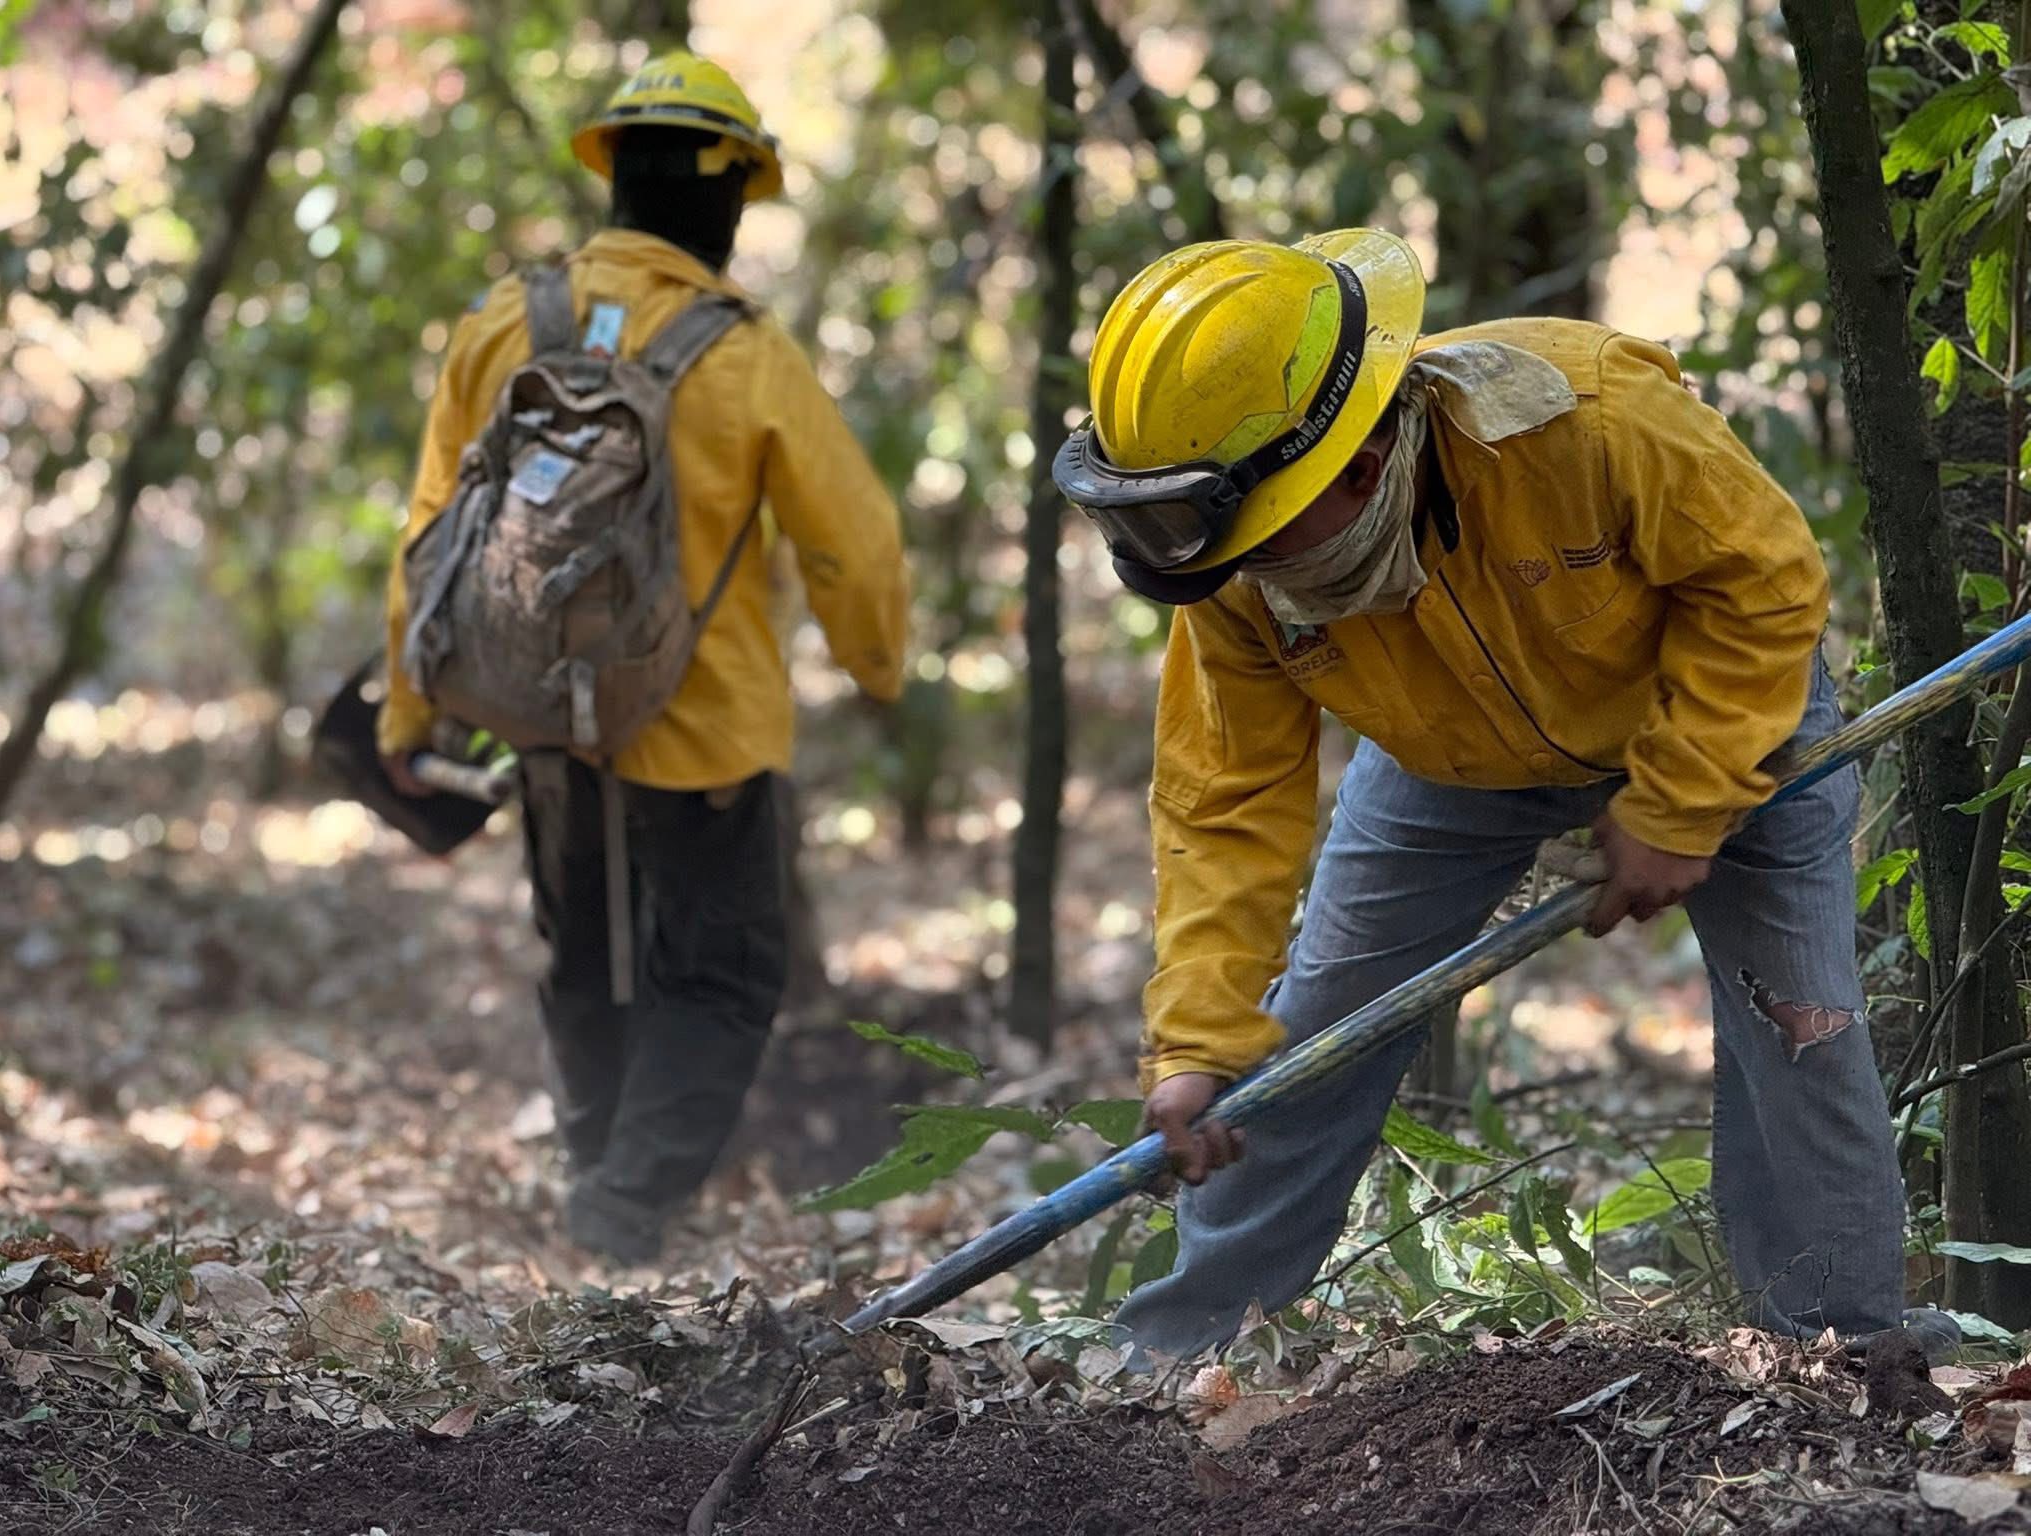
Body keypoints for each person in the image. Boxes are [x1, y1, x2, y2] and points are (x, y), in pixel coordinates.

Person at [1053, 228, 1949, 1359]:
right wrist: (1194, 1042)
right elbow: (1222, 799)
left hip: (1722, 712)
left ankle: (1842, 1354)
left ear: (1361, 466)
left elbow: (1764, 586)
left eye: (1259, 538)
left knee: (1799, 1026)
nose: (1238, 567)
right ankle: (1180, 1358)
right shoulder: (1231, 572)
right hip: (1445, 764)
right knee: (1308, 1036)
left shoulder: (1592, 420)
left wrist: (1681, 801)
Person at [377, 52, 907, 1264]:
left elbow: (429, 534)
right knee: (721, 975)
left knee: (582, 954)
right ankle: (620, 1212)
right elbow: (857, 544)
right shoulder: (746, 353)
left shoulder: (504, 322)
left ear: (613, 174)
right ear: (728, 192)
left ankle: (591, 1180)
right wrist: (875, 667)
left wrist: (410, 714)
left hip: (542, 714)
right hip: (706, 727)